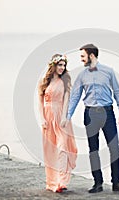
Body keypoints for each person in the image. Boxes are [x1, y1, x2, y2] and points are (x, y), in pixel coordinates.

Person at [66, 44, 119, 193]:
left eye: (83, 56)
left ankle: (116, 183)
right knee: (93, 150)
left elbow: (118, 92)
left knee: (114, 148)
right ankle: (98, 183)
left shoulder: (108, 72)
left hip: (108, 114)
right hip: (90, 114)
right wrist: (68, 116)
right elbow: (75, 96)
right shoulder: (82, 75)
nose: (81, 59)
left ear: (92, 56)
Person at [38, 54, 77, 193]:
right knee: (50, 151)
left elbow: (66, 100)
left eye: (64, 65)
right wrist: (42, 119)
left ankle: (62, 181)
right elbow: (40, 103)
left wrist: (64, 117)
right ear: (53, 66)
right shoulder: (44, 82)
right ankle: (52, 182)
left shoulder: (65, 81)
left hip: (61, 117)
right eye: (60, 65)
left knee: (62, 148)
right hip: (48, 118)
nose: (62, 68)